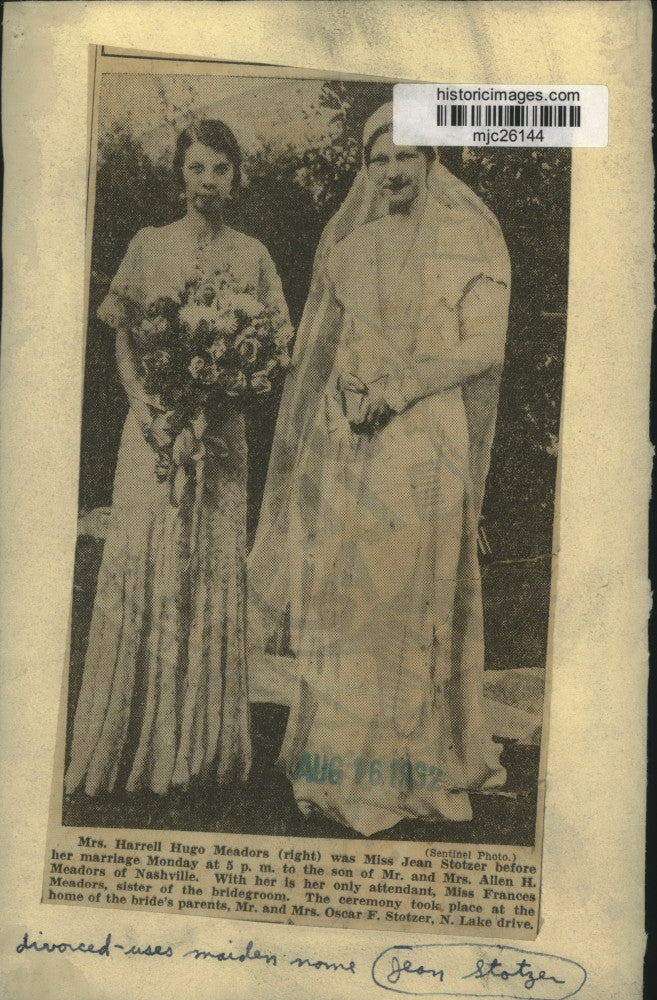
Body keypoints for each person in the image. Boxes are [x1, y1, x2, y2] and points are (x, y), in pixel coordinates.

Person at [248, 102, 510, 836]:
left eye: (404, 157)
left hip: (427, 437)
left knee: (410, 596)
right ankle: (341, 762)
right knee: (351, 596)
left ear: (431, 161)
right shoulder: (352, 249)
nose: (391, 171)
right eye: (378, 160)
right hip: (357, 439)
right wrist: (349, 398)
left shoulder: (466, 239)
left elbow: (483, 349)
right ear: (365, 170)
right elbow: (340, 352)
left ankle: (410, 766)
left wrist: (400, 389)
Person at [65, 120, 292, 797]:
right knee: (149, 560)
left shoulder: (253, 256)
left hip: (219, 440)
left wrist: (225, 394)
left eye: (220, 169)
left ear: (237, 177)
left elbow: (277, 344)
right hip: (154, 435)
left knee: (209, 567)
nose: (208, 182)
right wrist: (148, 412)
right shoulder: (149, 244)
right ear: (180, 175)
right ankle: (135, 741)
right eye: (196, 168)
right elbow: (123, 339)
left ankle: (202, 749)